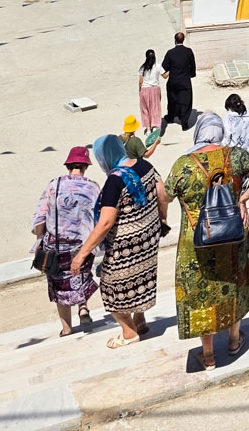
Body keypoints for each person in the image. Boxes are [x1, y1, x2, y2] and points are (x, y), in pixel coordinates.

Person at [167, 112, 249, 368]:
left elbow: (165, 194)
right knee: (234, 285)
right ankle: (235, 340)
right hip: (234, 236)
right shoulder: (235, 155)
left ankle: (209, 354)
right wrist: (242, 199)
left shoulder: (184, 164)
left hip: (198, 244)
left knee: (203, 294)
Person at [71, 133, 167, 348]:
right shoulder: (145, 165)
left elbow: (105, 223)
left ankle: (129, 331)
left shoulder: (114, 181)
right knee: (140, 278)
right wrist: (162, 220)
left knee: (111, 288)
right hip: (149, 238)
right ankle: (140, 321)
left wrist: (82, 253)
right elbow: (162, 193)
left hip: (125, 247)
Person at [32, 147, 100, 335]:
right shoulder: (92, 187)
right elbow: (99, 217)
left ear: (68, 165)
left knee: (59, 284)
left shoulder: (55, 184)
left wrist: (40, 239)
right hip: (81, 244)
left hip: (55, 245)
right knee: (78, 276)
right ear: (86, 166)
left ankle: (66, 328)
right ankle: (83, 307)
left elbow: (40, 215)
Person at [161, 33, 196, 133]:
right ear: (183, 40)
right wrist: (191, 74)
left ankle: (171, 117)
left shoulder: (170, 53)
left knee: (172, 99)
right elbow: (192, 65)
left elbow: (164, 67)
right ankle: (184, 123)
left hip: (173, 81)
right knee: (185, 101)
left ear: (175, 40)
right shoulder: (188, 52)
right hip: (185, 81)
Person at [222, 93, 249, 161]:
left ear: (230, 107)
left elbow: (227, 136)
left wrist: (221, 148)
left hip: (234, 152)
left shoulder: (228, 118)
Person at [138, 49, 162, 131]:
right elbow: (165, 75)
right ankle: (155, 127)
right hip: (155, 89)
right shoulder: (158, 66)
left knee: (145, 109)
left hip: (144, 89)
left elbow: (140, 81)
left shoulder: (142, 68)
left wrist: (139, 91)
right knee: (155, 108)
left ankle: (148, 129)